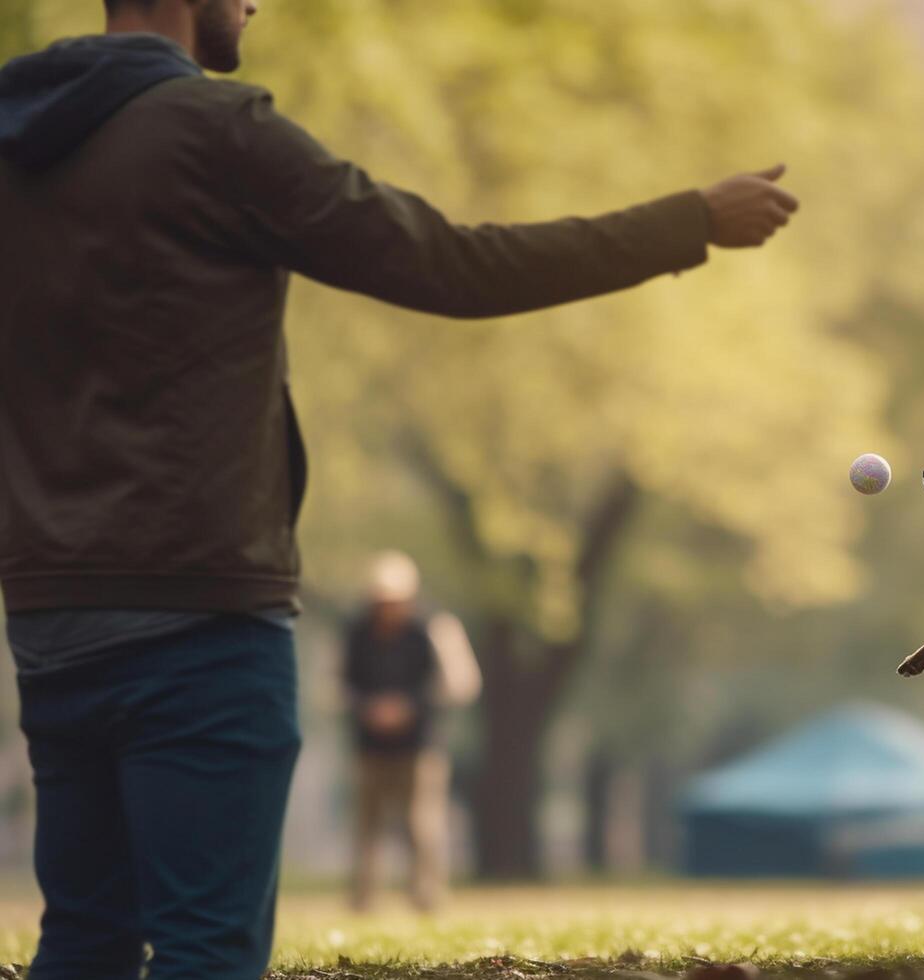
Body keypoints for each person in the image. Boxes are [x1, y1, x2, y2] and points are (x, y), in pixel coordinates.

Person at [0, 1, 800, 976]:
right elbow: (448, 262)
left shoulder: (20, 137)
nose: (254, 4)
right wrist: (689, 221)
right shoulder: (215, 132)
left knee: (84, 934)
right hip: (195, 614)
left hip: (51, 616)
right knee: (208, 944)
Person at [343, 551, 480, 912]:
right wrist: (367, 708)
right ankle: (362, 901)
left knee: (423, 827)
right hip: (369, 746)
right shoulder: (355, 633)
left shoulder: (434, 628)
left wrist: (412, 707)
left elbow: (461, 682)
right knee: (366, 828)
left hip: (419, 747)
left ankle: (427, 900)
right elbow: (335, 685)